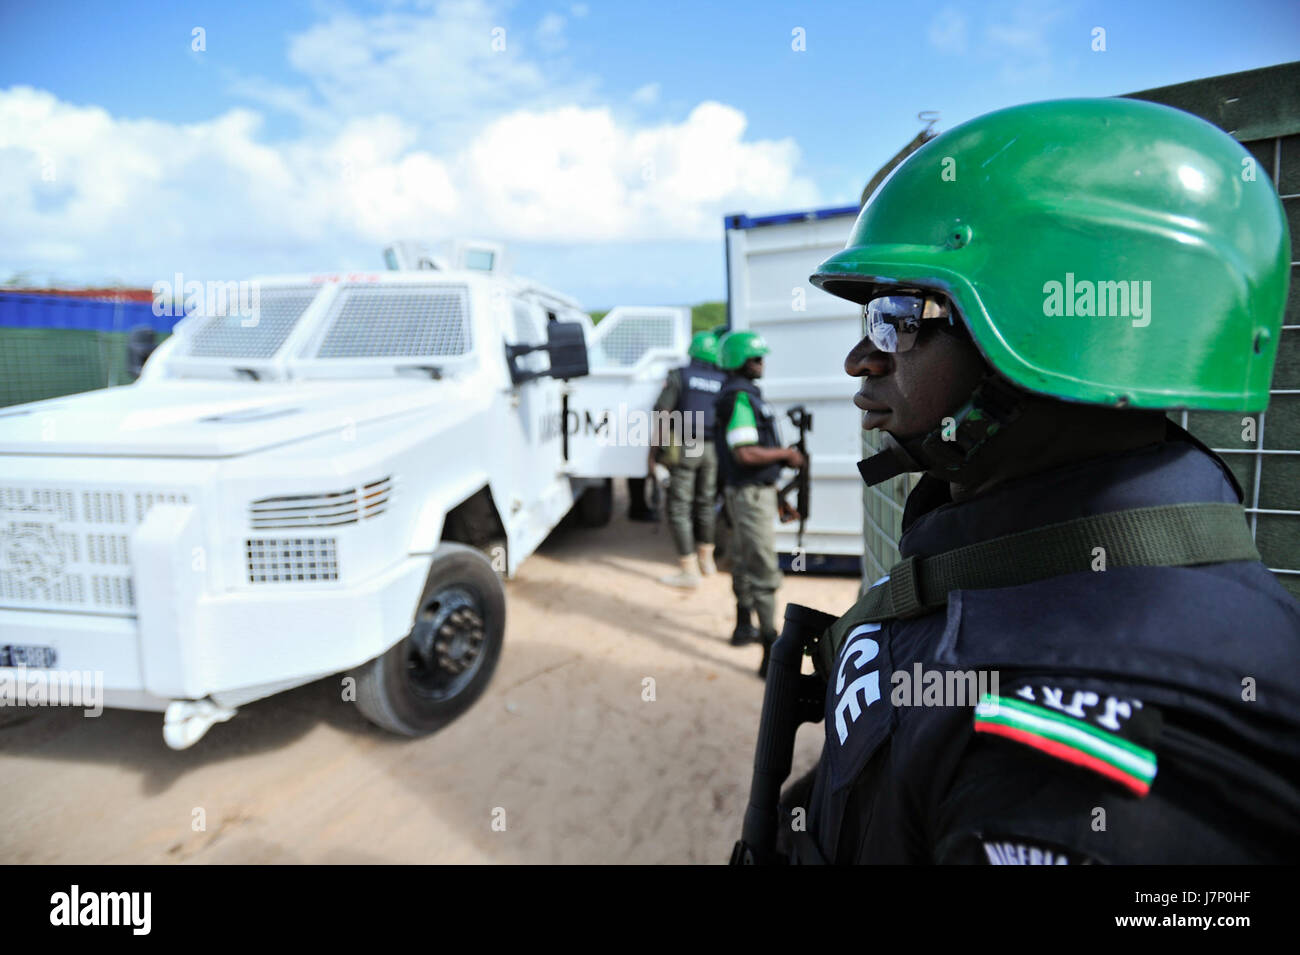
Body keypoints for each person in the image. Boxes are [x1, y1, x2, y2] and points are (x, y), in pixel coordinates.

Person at [779, 97, 1300, 863]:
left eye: (896, 314)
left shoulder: (1090, 736)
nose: (862, 359)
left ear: (1053, 334)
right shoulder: (996, 544)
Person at [714, 330, 805, 675]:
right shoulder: (739, 398)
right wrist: (786, 455)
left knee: (743, 560)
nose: (762, 363)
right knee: (763, 569)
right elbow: (746, 451)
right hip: (749, 495)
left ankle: (743, 627)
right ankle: (772, 651)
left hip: (750, 493)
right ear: (740, 361)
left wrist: (778, 494)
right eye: (756, 358)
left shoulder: (744, 396)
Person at [655, 331, 728, 588]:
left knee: (679, 508)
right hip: (714, 450)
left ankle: (689, 571)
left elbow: (663, 412)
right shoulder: (723, 378)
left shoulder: (680, 375)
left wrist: (656, 453)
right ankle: (707, 562)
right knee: (706, 503)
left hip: (687, 445)